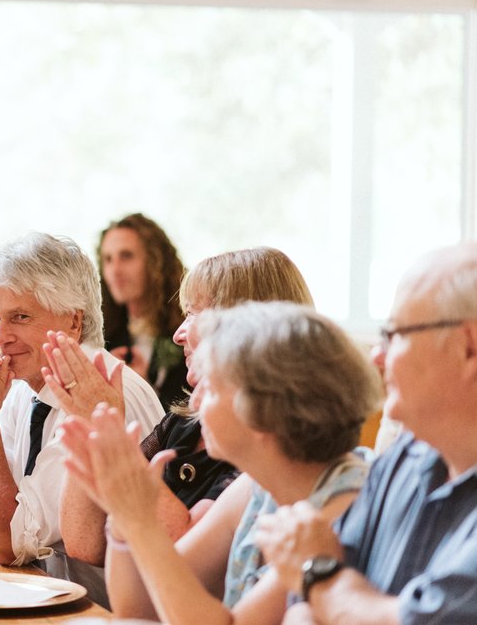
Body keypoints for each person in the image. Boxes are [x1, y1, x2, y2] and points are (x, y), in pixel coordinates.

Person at [64, 301, 382, 623]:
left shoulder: (340, 506)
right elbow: (142, 608)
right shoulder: (255, 487)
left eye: (212, 388)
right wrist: (125, 517)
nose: (197, 401)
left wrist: (142, 522)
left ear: (263, 409)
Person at [256, 242, 477, 624]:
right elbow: (301, 606)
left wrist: (319, 579)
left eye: (394, 335)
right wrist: (322, 586)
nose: (377, 355)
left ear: (468, 347)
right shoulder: (404, 456)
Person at [61, 247, 315, 571]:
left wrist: (118, 448)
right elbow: (85, 542)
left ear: (241, 325)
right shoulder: (183, 424)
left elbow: (190, 565)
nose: (179, 334)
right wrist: (91, 421)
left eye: (193, 314)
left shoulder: (273, 445)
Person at [0, 232, 166, 570]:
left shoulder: (103, 396)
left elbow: (10, 546)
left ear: (74, 322)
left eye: (20, 317)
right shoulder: (23, 386)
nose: (0, 339)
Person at [99, 213, 188, 409]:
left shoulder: (188, 330)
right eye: (107, 259)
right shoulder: (103, 335)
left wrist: (142, 388)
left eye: (127, 256)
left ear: (156, 261)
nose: (115, 271)